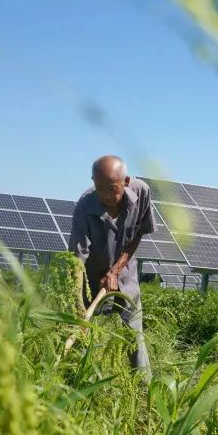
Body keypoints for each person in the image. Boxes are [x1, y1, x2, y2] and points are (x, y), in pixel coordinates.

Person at [68, 155, 155, 380]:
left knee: (135, 336)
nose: (106, 196)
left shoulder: (142, 192)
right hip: (90, 282)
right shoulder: (84, 206)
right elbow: (77, 262)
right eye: (100, 189)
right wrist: (80, 308)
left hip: (126, 278)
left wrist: (116, 270)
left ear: (125, 181)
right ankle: (73, 385)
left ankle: (146, 396)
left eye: (111, 189)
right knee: (81, 335)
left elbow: (138, 234)